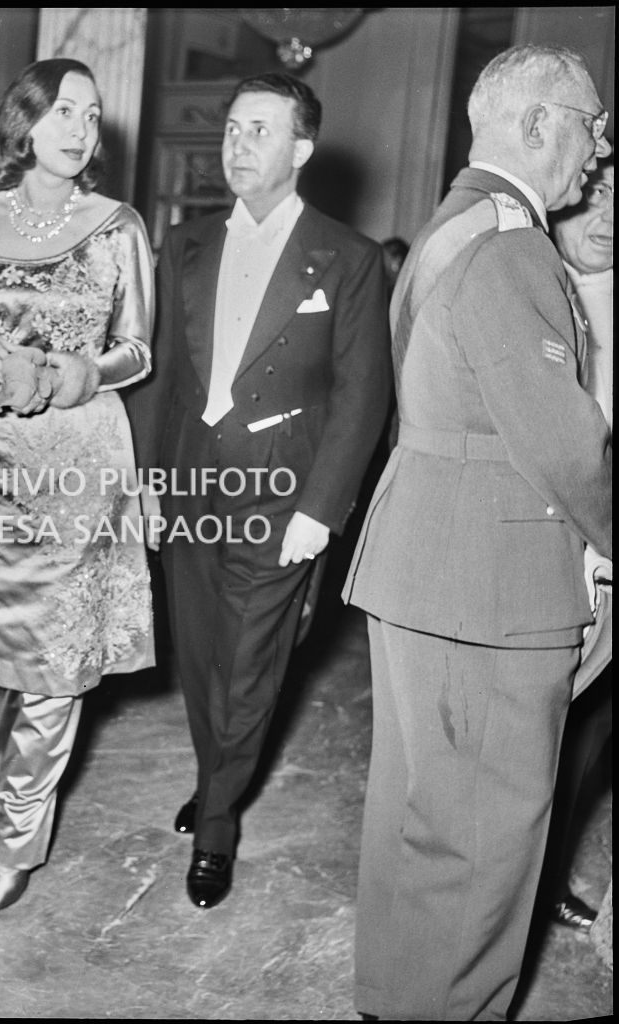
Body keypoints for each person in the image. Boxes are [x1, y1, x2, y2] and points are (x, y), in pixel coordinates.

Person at [342, 44, 612, 1020]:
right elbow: (562, 441)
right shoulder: (512, 247)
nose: (599, 147)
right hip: (489, 583)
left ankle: (395, 1000)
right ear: (536, 123)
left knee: (419, 820)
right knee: (481, 843)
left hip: (425, 562)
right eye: (591, 124)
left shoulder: (451, 224)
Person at [127, 71, 391, 909]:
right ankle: (219, 776)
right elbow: (162, 377)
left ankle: (216, 827)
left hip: (279, 498)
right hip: (188, 488)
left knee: (246, 665)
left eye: (260, 131)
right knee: (200, 653)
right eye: (232, 129)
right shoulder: (185, 243)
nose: (237, 145)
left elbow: (362, 397)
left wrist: (319, 510)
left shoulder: (347, 258)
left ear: (301, 150)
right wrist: (146, 484)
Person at [0, 58, 155, 912]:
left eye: (91, 116)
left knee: (54, 664)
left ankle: (17, 836)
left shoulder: (116, 225)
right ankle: (11, 774)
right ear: (23, 120)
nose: (80, 129)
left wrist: (76, 373)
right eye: (63, 111)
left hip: (79, 457)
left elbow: (137, 350)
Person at [540, 153, 613, 934]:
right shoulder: (531, 290)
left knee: (589, 733)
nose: (608, 216)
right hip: (543, 548)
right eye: (596, 194)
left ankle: (546, 879)